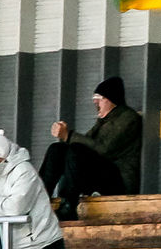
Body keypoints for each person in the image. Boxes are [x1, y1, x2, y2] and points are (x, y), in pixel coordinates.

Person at [40, 76, 143, 221]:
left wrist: (68, 136)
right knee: (57, 149)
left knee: (75, 150)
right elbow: (84, 145)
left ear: (111, 99)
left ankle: (68, 205)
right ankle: (40, 197)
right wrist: (66, 138)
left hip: (119, 182)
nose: (95, 102)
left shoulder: (128, 118)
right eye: (94, 98)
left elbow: (104, 149)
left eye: (99, 98)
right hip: (102, 177)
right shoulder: (104, 121)